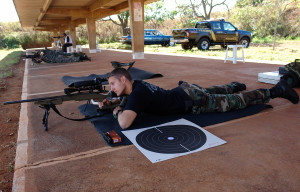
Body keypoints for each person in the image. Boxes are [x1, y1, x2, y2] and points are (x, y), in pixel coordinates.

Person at [98, 68, 299, 129]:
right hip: (186, 90)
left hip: (192, 101)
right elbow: (130, 100)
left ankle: (276, 91)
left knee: (234, 102)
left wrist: (116, 111)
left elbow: (124, 123)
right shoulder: (138, 85)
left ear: (124, 79)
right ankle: (233, 85)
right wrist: (114, 101)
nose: (112, 88)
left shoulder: (137, 95)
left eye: (113, 84)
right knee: (212, 92)